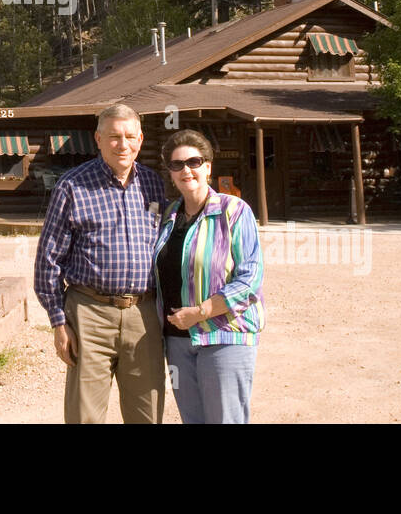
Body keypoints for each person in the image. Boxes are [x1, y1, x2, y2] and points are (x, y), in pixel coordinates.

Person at [34, 103, 169, 423]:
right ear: (98, 139)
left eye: (130, 137)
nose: (123, 144)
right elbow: (47, 261)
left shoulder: (153, 184)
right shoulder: (72, 186)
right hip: (89, 313)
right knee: (85, 415)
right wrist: (58, 322)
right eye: (114, 137)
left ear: (140, 140)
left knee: (147, 413)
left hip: (144, 314)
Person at [153, 129, 264, 423]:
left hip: (223, 335)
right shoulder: (168, 217)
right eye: (177, 164)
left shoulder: (234, 211)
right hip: (177, 341)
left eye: (194, 162)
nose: (186, 170)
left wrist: (201, 312)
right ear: (170, 173)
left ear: (208, 167)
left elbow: (250, 280)